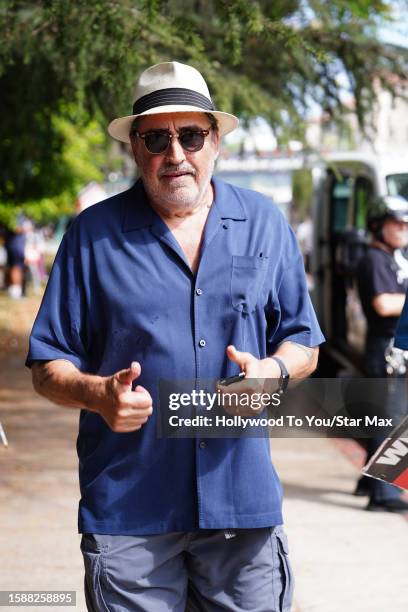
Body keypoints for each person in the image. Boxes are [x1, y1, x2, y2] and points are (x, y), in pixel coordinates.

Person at [26, 61, 324, 611]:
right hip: (129, 511)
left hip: (242, 506)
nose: (176, 154)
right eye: (156, 139)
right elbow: (48, 365)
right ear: (135, 149)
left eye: (190, 135)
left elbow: (303, 340)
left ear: (215, 142)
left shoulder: (264, 222)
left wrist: (274, 372)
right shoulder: (91, 237)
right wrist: (96, 394)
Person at [355, 195, 408, 512]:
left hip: (395, 348)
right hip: (385, 350)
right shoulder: (373, 260)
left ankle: (368, 481)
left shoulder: (394, 257)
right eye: (397, 224)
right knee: (393, 421)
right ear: (378, 226)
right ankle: (384, 493)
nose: (404, 229)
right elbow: (384, 304)